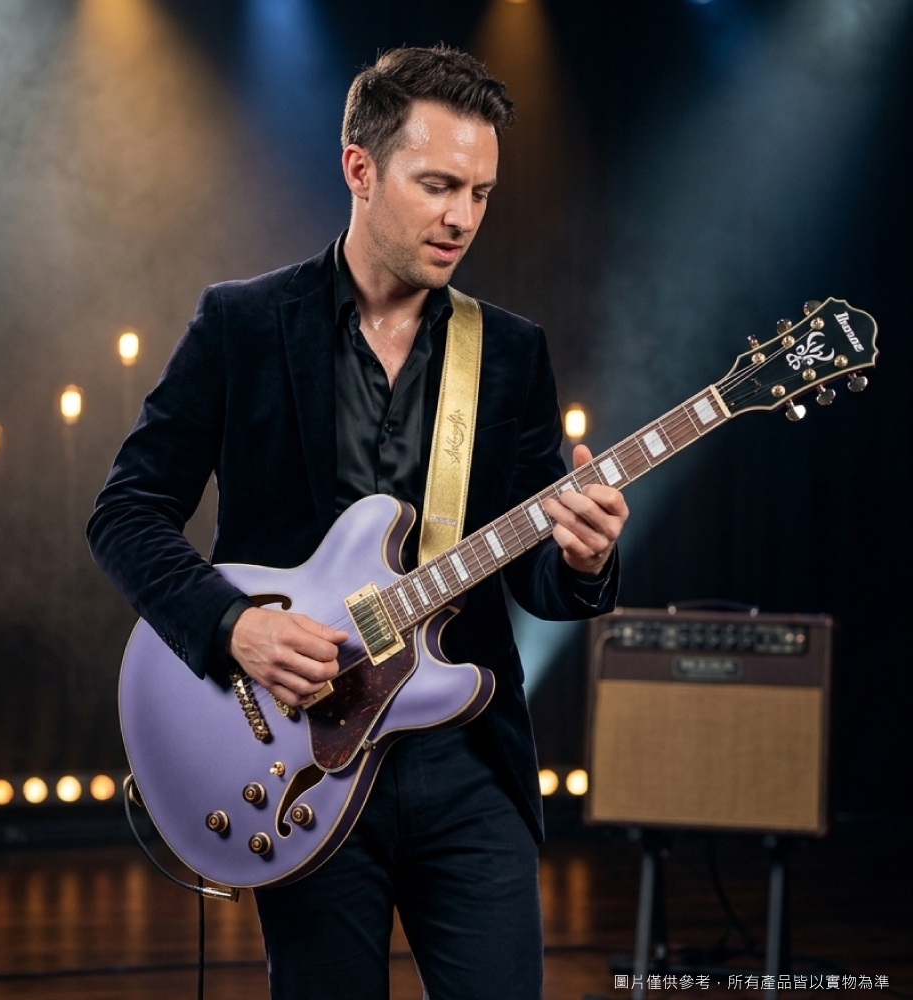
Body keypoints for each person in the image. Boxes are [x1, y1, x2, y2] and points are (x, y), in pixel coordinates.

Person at [88, 45, 629, 1000]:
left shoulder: (508, 352)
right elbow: (125, 513)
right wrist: (234, 626)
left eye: (481, 193)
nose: (463, 217)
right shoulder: (242, 325)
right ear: (360, 169)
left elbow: (535, 578)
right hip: (301, 757)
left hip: (467, 761)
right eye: (438, 185)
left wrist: (582, 559)